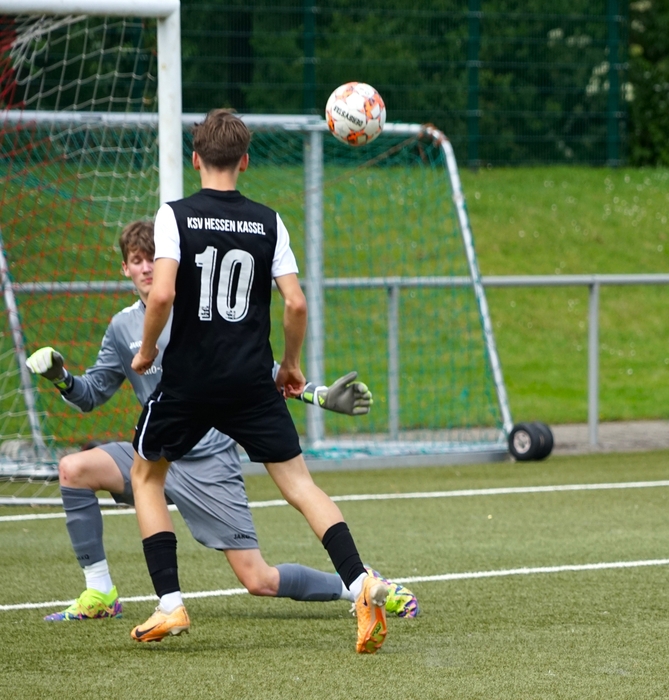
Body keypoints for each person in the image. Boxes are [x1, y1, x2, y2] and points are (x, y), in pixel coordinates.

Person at [26, 221, 418, 624]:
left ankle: (357, 585)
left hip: (209, 463)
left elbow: (257, 372)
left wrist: (318, 395)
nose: (146, 268)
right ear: (125, 268)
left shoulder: (199, 314)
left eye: (153, 259)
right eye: (137, 260)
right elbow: (92, 394)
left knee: (258, 579)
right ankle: (100, 593)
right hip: (154, 456)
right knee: (73, 469)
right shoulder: (121, 326)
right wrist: (62, 378)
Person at [128, 109, 391, 653]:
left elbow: (162, 294)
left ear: (196, 158)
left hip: (190, 380)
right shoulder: (270, 221)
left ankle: (171, 603)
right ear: (245, 161)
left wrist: (148, 350)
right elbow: (295, 303)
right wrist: (290, 365)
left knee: (146, 476)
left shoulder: (175, 215)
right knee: (300, 486)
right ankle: (360, 582)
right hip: (251, 381)